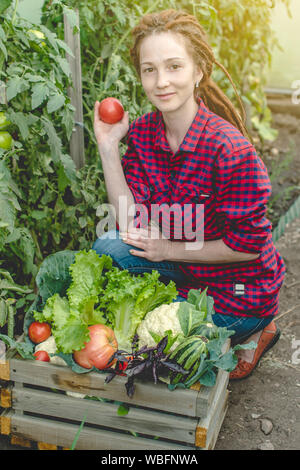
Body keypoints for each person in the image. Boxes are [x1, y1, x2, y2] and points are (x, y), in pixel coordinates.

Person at [92, 9, 285, 380]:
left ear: (198, 71)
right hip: (187, 267)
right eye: (150, 70)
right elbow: (129, 224)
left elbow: (247, 246)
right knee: (109, 249)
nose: (161, 81)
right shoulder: (146, 132)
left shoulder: (229, 150)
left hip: (239, 287)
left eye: (174, 66)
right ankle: (193, 310)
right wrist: (108, 147)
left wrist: (168, 250)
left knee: (166, 345)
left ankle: (258, 328)